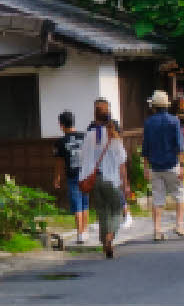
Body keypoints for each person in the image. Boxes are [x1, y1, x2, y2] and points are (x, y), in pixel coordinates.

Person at [76, 108, 132, 258]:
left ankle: (104, 242)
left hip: (94, 180)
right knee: (116, 210)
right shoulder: (114, 137)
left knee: (102, 212)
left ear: (95, 118)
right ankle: (109, 238)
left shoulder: (88, 136)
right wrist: (126, 184)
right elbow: (122, 164)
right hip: (111, 180)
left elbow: (82, 158)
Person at [141, 91, 184, 240]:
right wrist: (182, 166)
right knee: (179, 194)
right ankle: (179, 225)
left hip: (155, 166)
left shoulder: (149, 123)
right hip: (172, 164)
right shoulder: (174, 121)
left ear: (154, 106)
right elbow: (180, 146)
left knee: (157, 198)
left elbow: (145, 147)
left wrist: (145, 167)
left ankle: (157, 230)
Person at [53, 109, 93, 247]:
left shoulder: (60, 142)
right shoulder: (85, 136)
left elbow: (59, 163)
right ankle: (85, 231)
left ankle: (80, 233)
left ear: (61, 125)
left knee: (77, 205)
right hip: (86, 175)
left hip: (72, 176)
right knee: (85, 203)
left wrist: (57, 178)